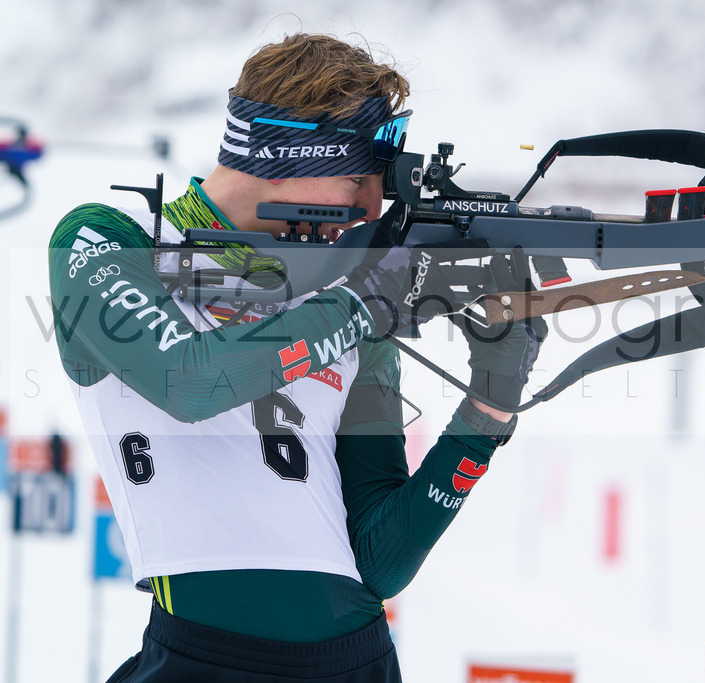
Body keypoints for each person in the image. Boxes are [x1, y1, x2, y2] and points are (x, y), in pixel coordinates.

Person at [48, 33, 545, 682]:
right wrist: (366, 303)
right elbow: (190, 380)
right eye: (359, 179)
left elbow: (380, 561)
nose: (373, 209)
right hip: (201, 661)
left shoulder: (342, 290)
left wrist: (488, 408)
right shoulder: (110, 238)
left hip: (359, 661)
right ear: (286, 157)